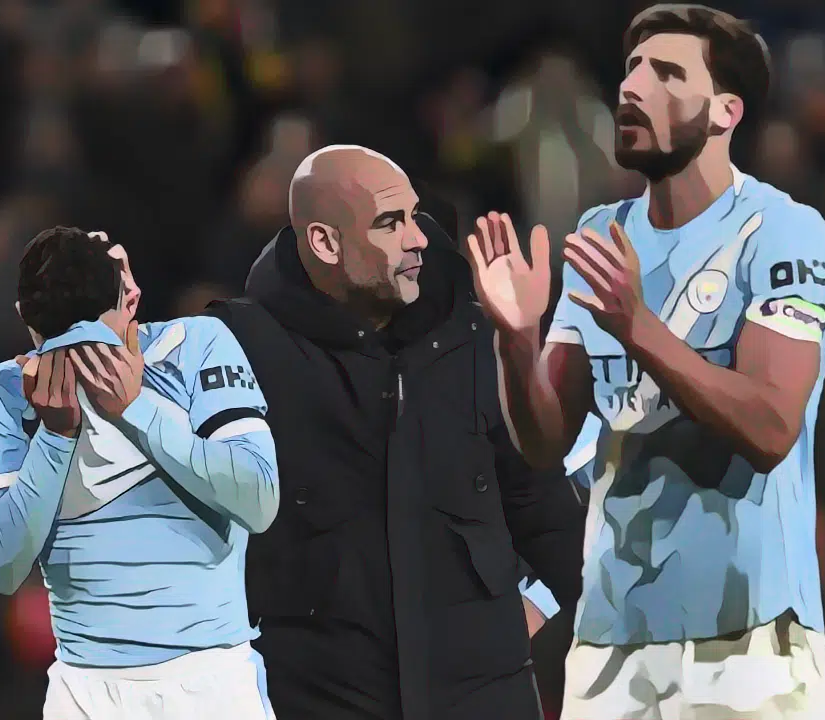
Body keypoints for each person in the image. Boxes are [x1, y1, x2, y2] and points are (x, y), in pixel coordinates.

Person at [468, 4, 825, 719]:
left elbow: (769, 428)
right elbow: (546, 439)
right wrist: (515, 338)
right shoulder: (600, 234)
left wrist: (640, 327)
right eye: (632, 67)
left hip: (748, 637)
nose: (633, 86)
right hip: (613, 639)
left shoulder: (784, 234)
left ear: (726, 111)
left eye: (668, 73)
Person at [205, 145, 586, 720]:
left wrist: (641, 628)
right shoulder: (242, 351)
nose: (419, 239)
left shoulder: (475, 336)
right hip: (319, 698)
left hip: (484, 698)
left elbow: (544, 508)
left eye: (412, 217)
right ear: (325, 243)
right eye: (391, 223)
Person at [0, 226, 280, 719]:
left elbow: (259, 501)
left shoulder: (195, 344)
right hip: (87, 690)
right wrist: (54, 438)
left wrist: (137, 410)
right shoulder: (7, 391)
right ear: (27, 318)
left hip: (211, 682)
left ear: (131, 297)